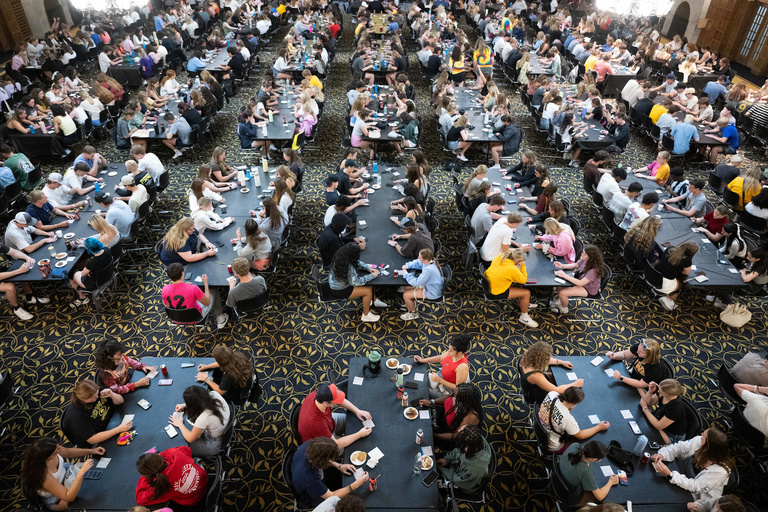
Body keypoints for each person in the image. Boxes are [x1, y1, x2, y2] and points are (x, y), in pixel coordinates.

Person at [650, 428, 733, 504]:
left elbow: (695, 487)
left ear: (708, 446)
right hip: (683, 477)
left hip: (696, 499)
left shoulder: (719, 472)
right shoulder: (699, 441)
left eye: (703, 436)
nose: (701, 435)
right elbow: (679, 448)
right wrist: (663, 454)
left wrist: (670, 475)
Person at [21, 437, 104, 511]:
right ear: (46, 458)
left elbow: (67, 452)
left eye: (57, 447)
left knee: (97, 479)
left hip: (66, 477)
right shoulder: (43, 476)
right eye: (55, 452)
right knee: (89, 502)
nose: (58, 450)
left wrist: (91, 451)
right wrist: (80, 475)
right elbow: (68, 497)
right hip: (57, 500)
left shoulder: (53, 449)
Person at [292, 437, 369, 507]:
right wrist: (356, 485)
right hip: (313, 497)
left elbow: (325, 459)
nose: (332, 461)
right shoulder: (310, 479)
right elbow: (331, 496)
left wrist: (339, 466)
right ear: (322, 461)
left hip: (314, 478)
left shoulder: (310, 444)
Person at [60, 379, 133, 448]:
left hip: (112, 422)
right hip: (101, 437)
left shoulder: (95, 393)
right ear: (83, 399)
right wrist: (117, 430)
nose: (97, 397)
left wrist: (112, 394)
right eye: (93, 398)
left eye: (97, 394)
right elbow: (92, 439)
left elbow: (120, 401)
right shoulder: (75, 416)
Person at [538, 386, 610, 454]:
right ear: (574, 403)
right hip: (552, 446)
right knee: (578, 444)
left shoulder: (552, 394)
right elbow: (581, 435)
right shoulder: (567, 419)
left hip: (540, 426)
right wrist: (599, 427)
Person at [298, 382, 372, 446]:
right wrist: (359, 435)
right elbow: (335, 444)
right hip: (320, 442)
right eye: (335, 401)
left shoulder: (318, 394)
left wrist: (357, 411)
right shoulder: (317, 423)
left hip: (329, 422)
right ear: (326, 403)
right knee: (356, 445)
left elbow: (341, 401)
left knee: (352, 420)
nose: (338, 402)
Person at [135, 447, 208, 509]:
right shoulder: (176, 454)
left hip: (193, 499)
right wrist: (161, 456)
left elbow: (140, 499)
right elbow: (187, 449)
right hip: (204, 480)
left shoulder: (162, 486)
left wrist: (145, 478)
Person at [328, 242, 384, 322]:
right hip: (339, 290)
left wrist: (367, 268)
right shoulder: (348, 267)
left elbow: (356, 262)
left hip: (337, 284)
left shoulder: (341, 256)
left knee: (368, 284)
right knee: (368, 291)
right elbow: (355, 282)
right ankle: (366, 315)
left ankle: (374, 301)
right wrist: (372, 276)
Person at [168, 385, 231, 456]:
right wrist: (186, 405)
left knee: (181, 450)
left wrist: (180, 424)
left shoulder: (204, 417)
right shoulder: (214, 394)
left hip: (212, 444)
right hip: (223, 429)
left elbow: (190, 438)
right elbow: (202, 400)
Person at [0, 238, 49, 320]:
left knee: (24, 272)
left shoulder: (0, 245)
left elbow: (14, 252)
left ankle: (29, 297)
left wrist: (27, 258)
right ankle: (16, 308)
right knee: (9, 287)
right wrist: (18, 271)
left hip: (4, 270)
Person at [558, 441, 618, 506]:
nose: (600, 461)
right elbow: (600, 496)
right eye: (599, 459)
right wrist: (611, 482)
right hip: (569, 494)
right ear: (594, 459)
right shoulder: (585, 471)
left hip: (558, 476)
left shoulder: (575, 445)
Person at [437, 425, 492, 494]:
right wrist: (446, 459)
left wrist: (441, 469)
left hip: (464, 485)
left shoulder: (475, 469)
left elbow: (460, 481)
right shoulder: (476, 440)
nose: (458, 430)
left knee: (432, 481)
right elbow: (459, 451)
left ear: (466, 448)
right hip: (460, 467)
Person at [551, 245, 606, 314]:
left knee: (563, 293)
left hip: (588, 289)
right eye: (583, 252)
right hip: (581, 282)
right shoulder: (585, 259)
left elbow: (580, 283)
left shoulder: (594, 270)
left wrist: (564, 275)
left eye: (584, 254)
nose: (582, 254)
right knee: (559, 285)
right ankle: (560, 301)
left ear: (591, 257)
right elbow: (576, 265)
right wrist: (562, 266)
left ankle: (564, 309)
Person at [414, 334, 472, 399]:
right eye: (449, 349)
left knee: (423, 391)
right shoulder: (452, 353)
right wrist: (422, 360)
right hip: (442, 377)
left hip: (448, 389)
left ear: (459, 353)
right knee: (421, 382)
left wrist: (439, 380)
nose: (448, 351)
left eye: (451, 350)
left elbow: (458, 388)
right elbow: (440, 358)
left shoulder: (462, 367)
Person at [398, 248, 445, 321]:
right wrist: (408, 266)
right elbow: (418, 263)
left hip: (432, 292)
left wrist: (406, 274)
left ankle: (413, 313)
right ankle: (410, 305)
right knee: (407, 287)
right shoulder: (430, 262)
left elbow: (416, 282)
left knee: (406, 295)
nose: (418, 258)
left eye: (419, 257)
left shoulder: (429, 270)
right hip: (430, 286)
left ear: (424, 260)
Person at [639, 378, 689, 444]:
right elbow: (648, 402)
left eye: (661, 391)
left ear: (668, 394)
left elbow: (658, 426)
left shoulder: (676, 408)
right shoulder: (664, 394)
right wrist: (650, 391)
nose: (658, 391)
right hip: (661, 423)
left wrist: (645, 409)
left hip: (672, 437)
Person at [68, 238, 112, 308]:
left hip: (95, 283)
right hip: (108, 275)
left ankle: (82, 297)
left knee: (71, 275)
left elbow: (83, 274)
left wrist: (84, 271)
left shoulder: (91, 262)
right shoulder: (107, 250)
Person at [654, 241, 699, 310]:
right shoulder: (687, 260)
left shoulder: (670, 248)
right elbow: (686, 273)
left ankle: (666, 295)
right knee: (683, 284)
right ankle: (669, 299)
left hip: (652, 276)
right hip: (663, 284)